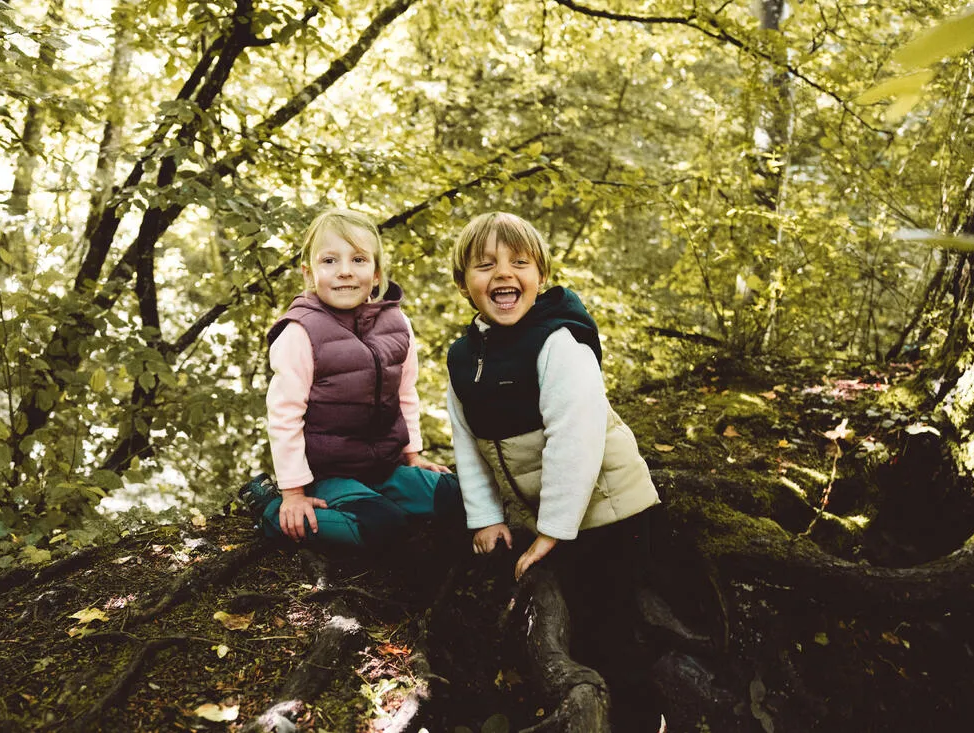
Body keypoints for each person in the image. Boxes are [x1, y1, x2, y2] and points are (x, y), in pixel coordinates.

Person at [445, 211, 664, 732]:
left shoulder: (557, 342)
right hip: (555, 519)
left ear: (540, 278)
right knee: (571, 620)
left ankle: (641, 718)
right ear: (463, 285)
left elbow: (575, 440)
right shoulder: (463, 359)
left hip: (612, 512)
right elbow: (467, 443)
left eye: (520, 262)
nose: (504, 274)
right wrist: (484, 518)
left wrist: (551, 532)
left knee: (612, 625)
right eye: (485, 265)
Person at [240, 208, 462, 548]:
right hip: (327, 474)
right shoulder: (300, 332)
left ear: (376, 274)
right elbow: (284, 417)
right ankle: (269, 509)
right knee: (385, 528)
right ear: (309, 273)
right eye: (329, 261)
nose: (344, 271)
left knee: (461, 498)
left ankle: (386, 499)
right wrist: (293, 492)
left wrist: (413, 456)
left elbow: (404, 393)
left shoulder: (397, 324)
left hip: (385, 468)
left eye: (358, 260)